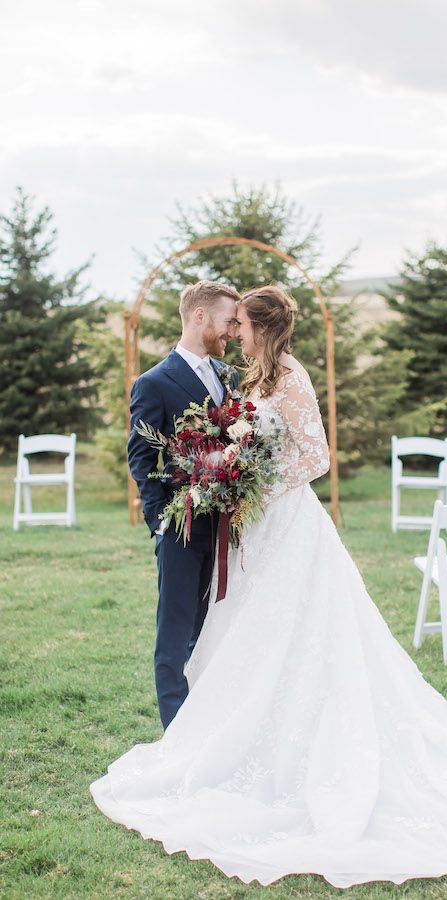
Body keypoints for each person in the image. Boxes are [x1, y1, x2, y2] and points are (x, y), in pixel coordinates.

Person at [92, 285, 447, 889]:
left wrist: (249, 475)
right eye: (229, 322)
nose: (233, 332)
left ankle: (275, 749)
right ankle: (209, 743)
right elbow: (159, 455)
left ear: (259, 326)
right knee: (229, 638)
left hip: (283, 522)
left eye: (241, 324)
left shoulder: (284, 376)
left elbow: (315, 457)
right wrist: (215, 486)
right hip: (235, 529)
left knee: (299, 632)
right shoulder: (232, 377)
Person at [127, 280, 240, 729]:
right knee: (175, 635)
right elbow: (141, 456)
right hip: (181, 526)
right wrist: (160, 521)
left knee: (213, 629)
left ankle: (209, 724)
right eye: (228, 321)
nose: (233, 331)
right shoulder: (153, 383)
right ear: (200, 317)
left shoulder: (230, 377)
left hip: (230, 526)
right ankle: (177, 737)